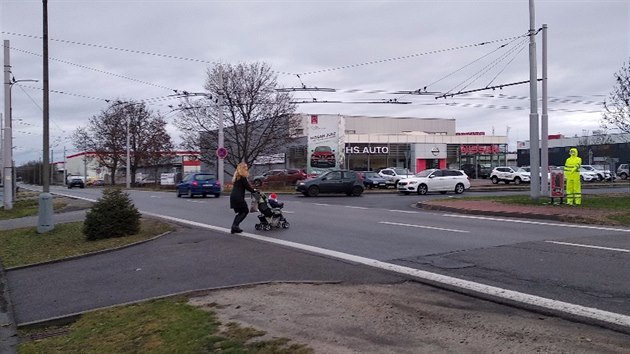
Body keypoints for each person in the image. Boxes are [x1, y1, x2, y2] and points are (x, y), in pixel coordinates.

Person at [230, 162, 256, 233]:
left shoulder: (236, 178)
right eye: (245, 167)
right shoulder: (242, 177)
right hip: (238, 197)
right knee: (245, 211)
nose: (247, 168)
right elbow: (248, 187)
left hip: (233, 197)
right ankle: (235, 226)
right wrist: (255, 191)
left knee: (241, 212)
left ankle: (234, 227)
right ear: (242, 169)